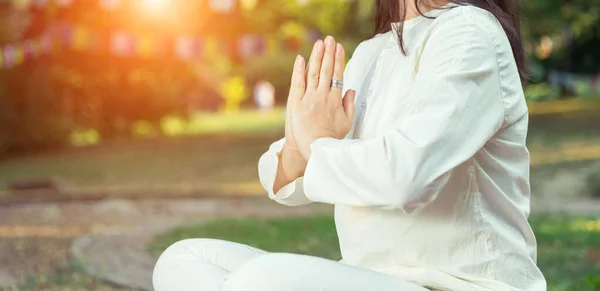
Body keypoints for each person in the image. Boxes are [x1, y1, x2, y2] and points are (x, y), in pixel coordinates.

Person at [152, 0, 548, 290]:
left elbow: (404, 176)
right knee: (183, 259)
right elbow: (303, 167)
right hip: (369, 279)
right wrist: (298, 145)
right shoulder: (371, 52)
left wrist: (317, 143)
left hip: (457, 284)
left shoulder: (470, 31)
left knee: (259, 280)